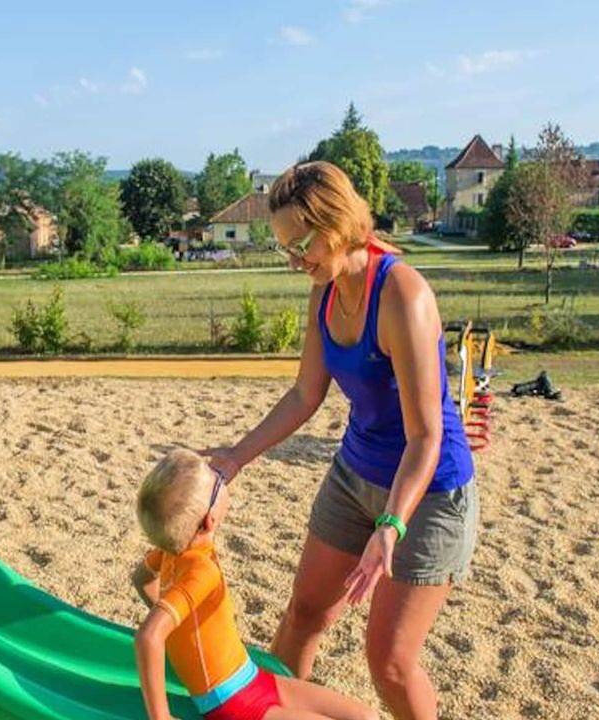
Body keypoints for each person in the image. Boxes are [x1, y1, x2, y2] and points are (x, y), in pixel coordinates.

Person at [204, 162, 478, 720]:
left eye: (300, 243)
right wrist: (235, 457)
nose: (294, 259)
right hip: (355, 476)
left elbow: (425, 435)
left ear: (336, 223)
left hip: (428, 493)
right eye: (284, 248)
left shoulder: (403, 294)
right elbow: (306, 395)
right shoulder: (324, 293)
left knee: (391, 663)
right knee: (303, 614)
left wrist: (391, 525)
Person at [133, 449, 378, 720]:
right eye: (217, 481)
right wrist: (161, 717)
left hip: (255, 680)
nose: (222, 478)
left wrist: (178, 629)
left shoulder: (170, 550)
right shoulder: (201, 572)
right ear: (208, 521)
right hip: (233, 706)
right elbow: (149, 636)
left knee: (365, 717)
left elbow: (141, 579)